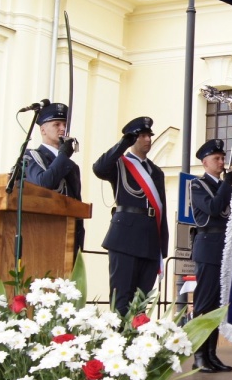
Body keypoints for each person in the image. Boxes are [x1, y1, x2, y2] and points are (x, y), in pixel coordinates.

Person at [92, 116, 169, 316]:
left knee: (141, 303)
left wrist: (163, 246)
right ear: (133, 139)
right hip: (125, 238)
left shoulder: (156, 172)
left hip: (150, 240)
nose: (148, 140)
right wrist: (123, 143)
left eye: (149, 135)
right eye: (142, 136)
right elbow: (99, 168)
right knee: (121, 299)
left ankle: (137, 345)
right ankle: (119, 345)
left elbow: (162, 210)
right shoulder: (120, 164)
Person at [189, 139, 232, 373]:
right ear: (205, 162)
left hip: (224, 247)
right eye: (216, 158)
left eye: (222, 157)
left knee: (217, 304)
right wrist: (227, 185)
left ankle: (211, 354)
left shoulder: (225, 187)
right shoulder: (198, 186)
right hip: (208, 246)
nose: (221, 161)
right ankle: (199, 354)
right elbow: (215, 208)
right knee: (204, 303)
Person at [23, 102, 84, 256]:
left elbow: (76, 202)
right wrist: (63, 155)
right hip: (44, 233)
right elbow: (43, 183)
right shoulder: (31, 156)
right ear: (43, 129)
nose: (63, 128)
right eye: (57, 124)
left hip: (69, 235)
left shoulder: (71, 165)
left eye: (65, 124)